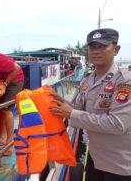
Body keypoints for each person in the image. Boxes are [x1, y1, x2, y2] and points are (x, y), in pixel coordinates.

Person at [49, 28, 131, 181]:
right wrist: (61, 101)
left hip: (119, 165)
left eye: (102, 46)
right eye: (93, 47)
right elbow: (79, 109)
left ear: (116, 49)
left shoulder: (124, 82)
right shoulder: (87, 80)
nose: (96, 51)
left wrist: (71, 114)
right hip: (94, 158)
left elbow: (117, 124)